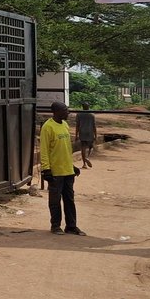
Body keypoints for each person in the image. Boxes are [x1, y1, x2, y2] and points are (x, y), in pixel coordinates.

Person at [39, 101, 85, 236]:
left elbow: (65, 149)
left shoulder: (65, 125)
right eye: (65, 110)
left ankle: (71, 226)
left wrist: (72, 166)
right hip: (55, 172)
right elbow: (44, 150)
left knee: (69, 200)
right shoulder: (48, 127)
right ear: (56, 112)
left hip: (67, 171)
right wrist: (46, 169)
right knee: (55, 200)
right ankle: (55, 225)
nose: (68, 112)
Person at [75, 103, 96, 168]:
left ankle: (84, 164)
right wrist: (96, 134)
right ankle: (88, 157)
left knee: (83, 148)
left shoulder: (79, 114)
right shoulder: (92, 115)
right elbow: (94, 125)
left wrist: (76, 135)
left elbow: (77, 125)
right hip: (90, 132)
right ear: (88, 107)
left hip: (82, 132)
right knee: (91, 147)